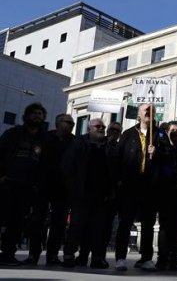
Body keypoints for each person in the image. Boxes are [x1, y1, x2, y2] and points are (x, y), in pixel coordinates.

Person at [61, 118, 114, 269]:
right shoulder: (79, 143)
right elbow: (68, 165)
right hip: (82, 193)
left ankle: (97, 258)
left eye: (103, 127)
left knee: (98, 229)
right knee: (76, 226)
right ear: (89, 128)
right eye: (98, 126)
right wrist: (72, 187)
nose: (101, 129)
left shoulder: (109, 145)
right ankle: (69, 255)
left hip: (102, 195)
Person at [0, 103, 48, 266]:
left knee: (17, 222)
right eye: (34, 113)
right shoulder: (13, 133)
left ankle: (8, 254)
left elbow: (46, 164)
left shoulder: (44, 139)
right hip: (8, 183)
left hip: (27, 187)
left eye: (40, 114)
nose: (37, 116)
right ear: (27, 115)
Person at [23, 113, 74, 266]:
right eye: (67, 122)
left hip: (63, 189)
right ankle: (33, 254)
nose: (71, 125)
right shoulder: (45, 138)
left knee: (58, 224)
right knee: (38, 221)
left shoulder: (74, 142)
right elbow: (35, 160)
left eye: (72, 123)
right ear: (58, 123)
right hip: (43, 186)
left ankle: (52, 255)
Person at [113, 103, 158, 271]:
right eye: (146, 110)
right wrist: (118, 182)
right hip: (130, 186)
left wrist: (156, 153)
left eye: (152, 111)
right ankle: (120, 258)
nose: (149, 112)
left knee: (148, 224)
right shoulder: (128, 134)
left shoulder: (158, 135)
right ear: (139, 115)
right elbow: (118, 159)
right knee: (125, 222)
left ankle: (146, 258)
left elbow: (168, 159)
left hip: (150, 187)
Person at [154, 120, 177, 271]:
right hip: (164, 191)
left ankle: (175, 259)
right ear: (167, 131)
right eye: (172, 130)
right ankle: (162, 258)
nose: (175, 133)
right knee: (165, 227)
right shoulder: (161, 146)